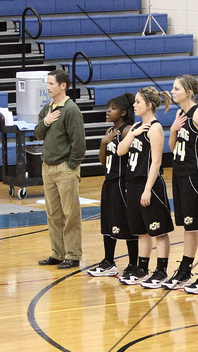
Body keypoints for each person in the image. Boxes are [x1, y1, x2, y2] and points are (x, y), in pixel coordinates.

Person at [116, 87, 174, 288]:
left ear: (149, 105)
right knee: (142, 231)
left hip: (149, 184)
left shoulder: (155, 128)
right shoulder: (136, 127)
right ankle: (142, 268)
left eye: (138, 102)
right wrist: (132, 134)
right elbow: (120, 150)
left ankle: (161, 270)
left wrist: (148, 189)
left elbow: (157, 162)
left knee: (158, 230)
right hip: (132, 183)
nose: (134, 105)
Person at [165, 75, 198, 293]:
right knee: (188, 225)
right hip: (179, 174)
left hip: (196, 176)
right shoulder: (179, 113)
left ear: (188, 91)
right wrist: (174, 128)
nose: (172, 91)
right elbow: (172, 145)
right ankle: (185, 270)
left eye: (176, 88)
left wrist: (194, 163)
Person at [36, 69, 85, 269]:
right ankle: (57, 253)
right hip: (47, 167)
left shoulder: (71, 110)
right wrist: (46, 121)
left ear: (62, 86)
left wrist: (70, 166)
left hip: (64, 168)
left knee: (70, 213)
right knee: (53, 214)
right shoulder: (47, 108)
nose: (47, 87)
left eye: (51, 84)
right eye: (47, 84)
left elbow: (79, 144)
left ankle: (73, 255)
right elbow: (38, 134)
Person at [88, 93, 140, 278]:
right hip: (109, 182)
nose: (108, 110)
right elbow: (103, 160)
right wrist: (103, 143)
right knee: (108, 223)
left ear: (124, 112)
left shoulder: (127, 131)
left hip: (122, 182)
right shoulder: (110, 132)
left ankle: (134, 263)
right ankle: (109, 261)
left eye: (113, 108)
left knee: (125, 223)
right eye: (108, 107)